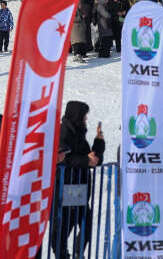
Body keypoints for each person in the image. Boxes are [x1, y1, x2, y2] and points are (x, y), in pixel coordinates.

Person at [53, 101, 104, 259]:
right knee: (63, 227)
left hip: (79, 188)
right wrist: (85, 161)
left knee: (86, 224)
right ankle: (63, 254)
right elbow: (63, 159)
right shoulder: (64, 132)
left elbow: (93, 159)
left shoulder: (80, 134)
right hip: (66, 186)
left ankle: (77, 253)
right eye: (84, 115)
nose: (86, 119)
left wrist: (99, 142)